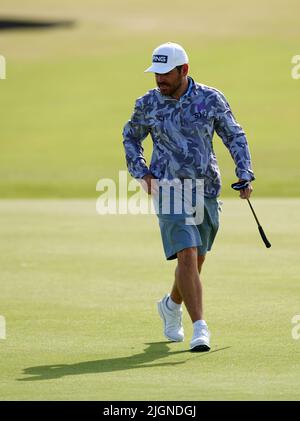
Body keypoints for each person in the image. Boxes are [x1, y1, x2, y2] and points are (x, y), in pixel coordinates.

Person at [122, 42, 254, 352]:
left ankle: (170, 304)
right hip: (167, 188)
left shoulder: (210, 99)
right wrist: (141, 172)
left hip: (205, 188)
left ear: (184, 70)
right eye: (155, 73)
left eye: (165, 73)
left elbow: (234, 134)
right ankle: (200, 328)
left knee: (197, 256)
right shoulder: (148, 104)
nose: (159, 80)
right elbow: (130, 137)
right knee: (187, 253)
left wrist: (245, 172)